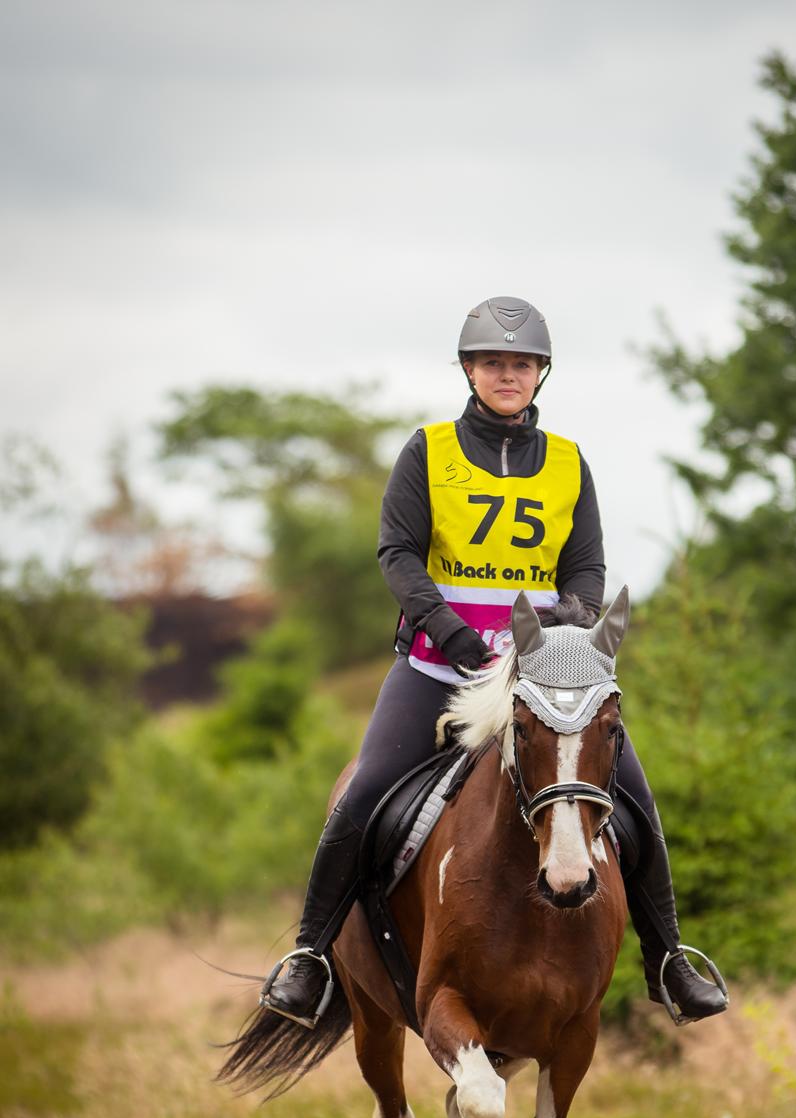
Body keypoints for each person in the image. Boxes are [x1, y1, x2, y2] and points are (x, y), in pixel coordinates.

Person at [263, 296, 728, 1026]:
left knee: (635, 804)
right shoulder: (428, 450)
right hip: (437, 670)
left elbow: (585, 571)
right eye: (491, 363)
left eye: (520, 363)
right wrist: (455, 638)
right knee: (363, 794)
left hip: (545, 681)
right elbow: (398, 555)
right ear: (468, 370)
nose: (506, 374)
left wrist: (563, 630)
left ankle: (668, 958)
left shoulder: (570, 463)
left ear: (540, 373)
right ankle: (309, 958)